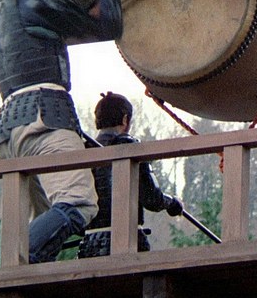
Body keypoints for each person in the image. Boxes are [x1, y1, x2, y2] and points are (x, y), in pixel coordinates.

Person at [0, 0, 126, 263]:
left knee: (42, 219)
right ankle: (17, 264)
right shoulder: (38, 0)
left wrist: (84, 12)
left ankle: (20, 273)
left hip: (8, 131)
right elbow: (111, 25)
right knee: (77, 203)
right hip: (45, 120)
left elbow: (50, 26)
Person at [78, 92, 184, 256]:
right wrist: (172, 203)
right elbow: (152, 199)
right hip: (129, 241)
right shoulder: (129, 146)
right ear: (125, 119)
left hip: (90, 244)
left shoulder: (84, 150)